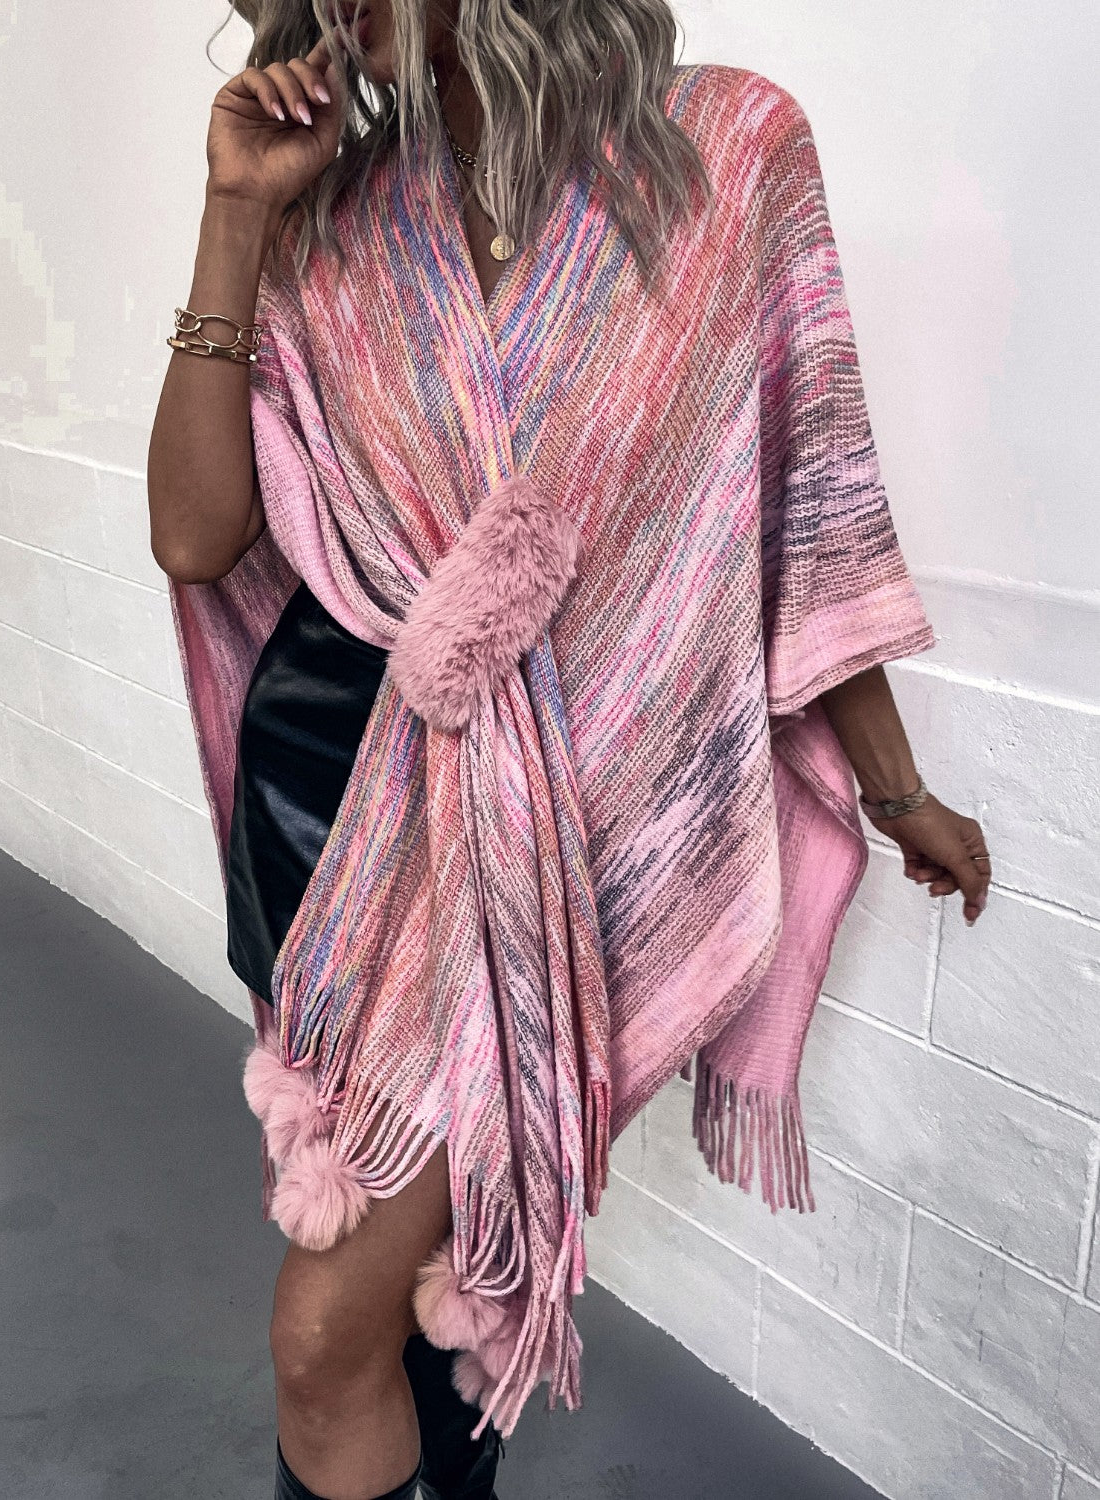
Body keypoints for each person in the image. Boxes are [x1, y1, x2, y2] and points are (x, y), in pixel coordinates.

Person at [147, 3, 992, 1498]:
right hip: (328, 827)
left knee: (331, 1330)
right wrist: (233, 216)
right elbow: (197, 532)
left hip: (549, 844)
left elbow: (806, 502)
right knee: (386, 1309)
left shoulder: (724, 152)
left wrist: (894, 786)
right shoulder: (332, 211)